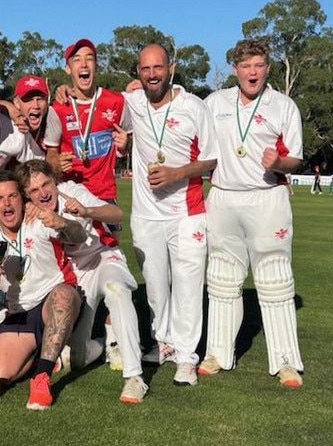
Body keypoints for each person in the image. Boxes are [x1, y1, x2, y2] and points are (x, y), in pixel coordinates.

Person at [200, 37, 304, 388]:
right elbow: (181, 114)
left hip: (267, 197)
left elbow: (296, 158)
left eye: (258, 65)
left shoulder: (283, 105)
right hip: (224, 198)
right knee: (222, 277)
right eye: (246, 66)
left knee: (274, 278)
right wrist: (137, 91)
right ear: (235, 70)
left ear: (268, 68)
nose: (252, 72)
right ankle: (217, 353)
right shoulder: (215, 102)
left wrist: (279, 162)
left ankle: (286, 360)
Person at [122, 44, 217, 387]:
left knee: (189, 287)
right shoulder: (131, 102)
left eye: (158, 68)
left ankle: (187, 357)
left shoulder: (193, 106)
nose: (152, 75)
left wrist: (177, 173)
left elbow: (211, 159)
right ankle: (164, 342)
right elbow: (96, 106)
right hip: (146, 214)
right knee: (156, 287)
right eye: (145, 69)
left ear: (170, 68)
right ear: (138, 71)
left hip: (187, 212)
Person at [15, 160, 148, 403]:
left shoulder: (73, 191)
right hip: (77, 273)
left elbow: (117, 213)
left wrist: (88, 211)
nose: (43, 193)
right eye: (34, 191)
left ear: (55, 181)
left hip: (103, 256)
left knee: (116, 290)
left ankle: (134, 376)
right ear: (26, 194)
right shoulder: (29, 210)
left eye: (46, 184)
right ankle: (105, 341)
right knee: (76, 360)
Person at [0, 169, 87, 410]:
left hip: (52, 300)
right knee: (0, 375)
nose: (7, 203)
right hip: (17, 314)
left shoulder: (37, 220)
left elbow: (79, 235)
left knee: (63, 295)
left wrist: (63, 222)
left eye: (12, 196)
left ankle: (42, 377)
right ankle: (41, 355)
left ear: (22, 198)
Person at [45, 38, 127, 244]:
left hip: (105, 194)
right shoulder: (58, 108)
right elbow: (50, 154)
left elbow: (128, 142)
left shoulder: (116, 101)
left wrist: (126, 145)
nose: (83, 64)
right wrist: (56, 162)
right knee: (74, 259)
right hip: (70, 194)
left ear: (96, 66)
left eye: (89, 59)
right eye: (77, 60)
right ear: (68, 69)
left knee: (111, 253)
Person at [10, 75, 54, 152]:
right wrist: (16, 115)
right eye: (29, 99)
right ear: (16, 103)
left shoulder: (53, 122)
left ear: (47, 101)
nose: (36, 106)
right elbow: (0, 104)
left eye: (40, 99)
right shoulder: (8, 128)